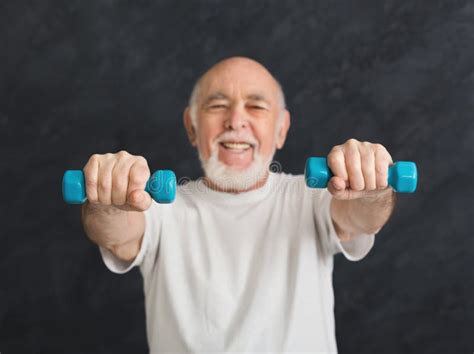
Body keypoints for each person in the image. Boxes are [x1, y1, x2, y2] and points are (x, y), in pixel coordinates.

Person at [81, 56, 395, 353]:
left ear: (281, 129)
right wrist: (110, 197)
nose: (235, 121)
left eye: (256, 106)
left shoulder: (312, 199)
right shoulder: (161, 209)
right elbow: (116, 235)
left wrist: (372, 187)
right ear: (192, 126)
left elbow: (359, 220)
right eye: (217, 105)